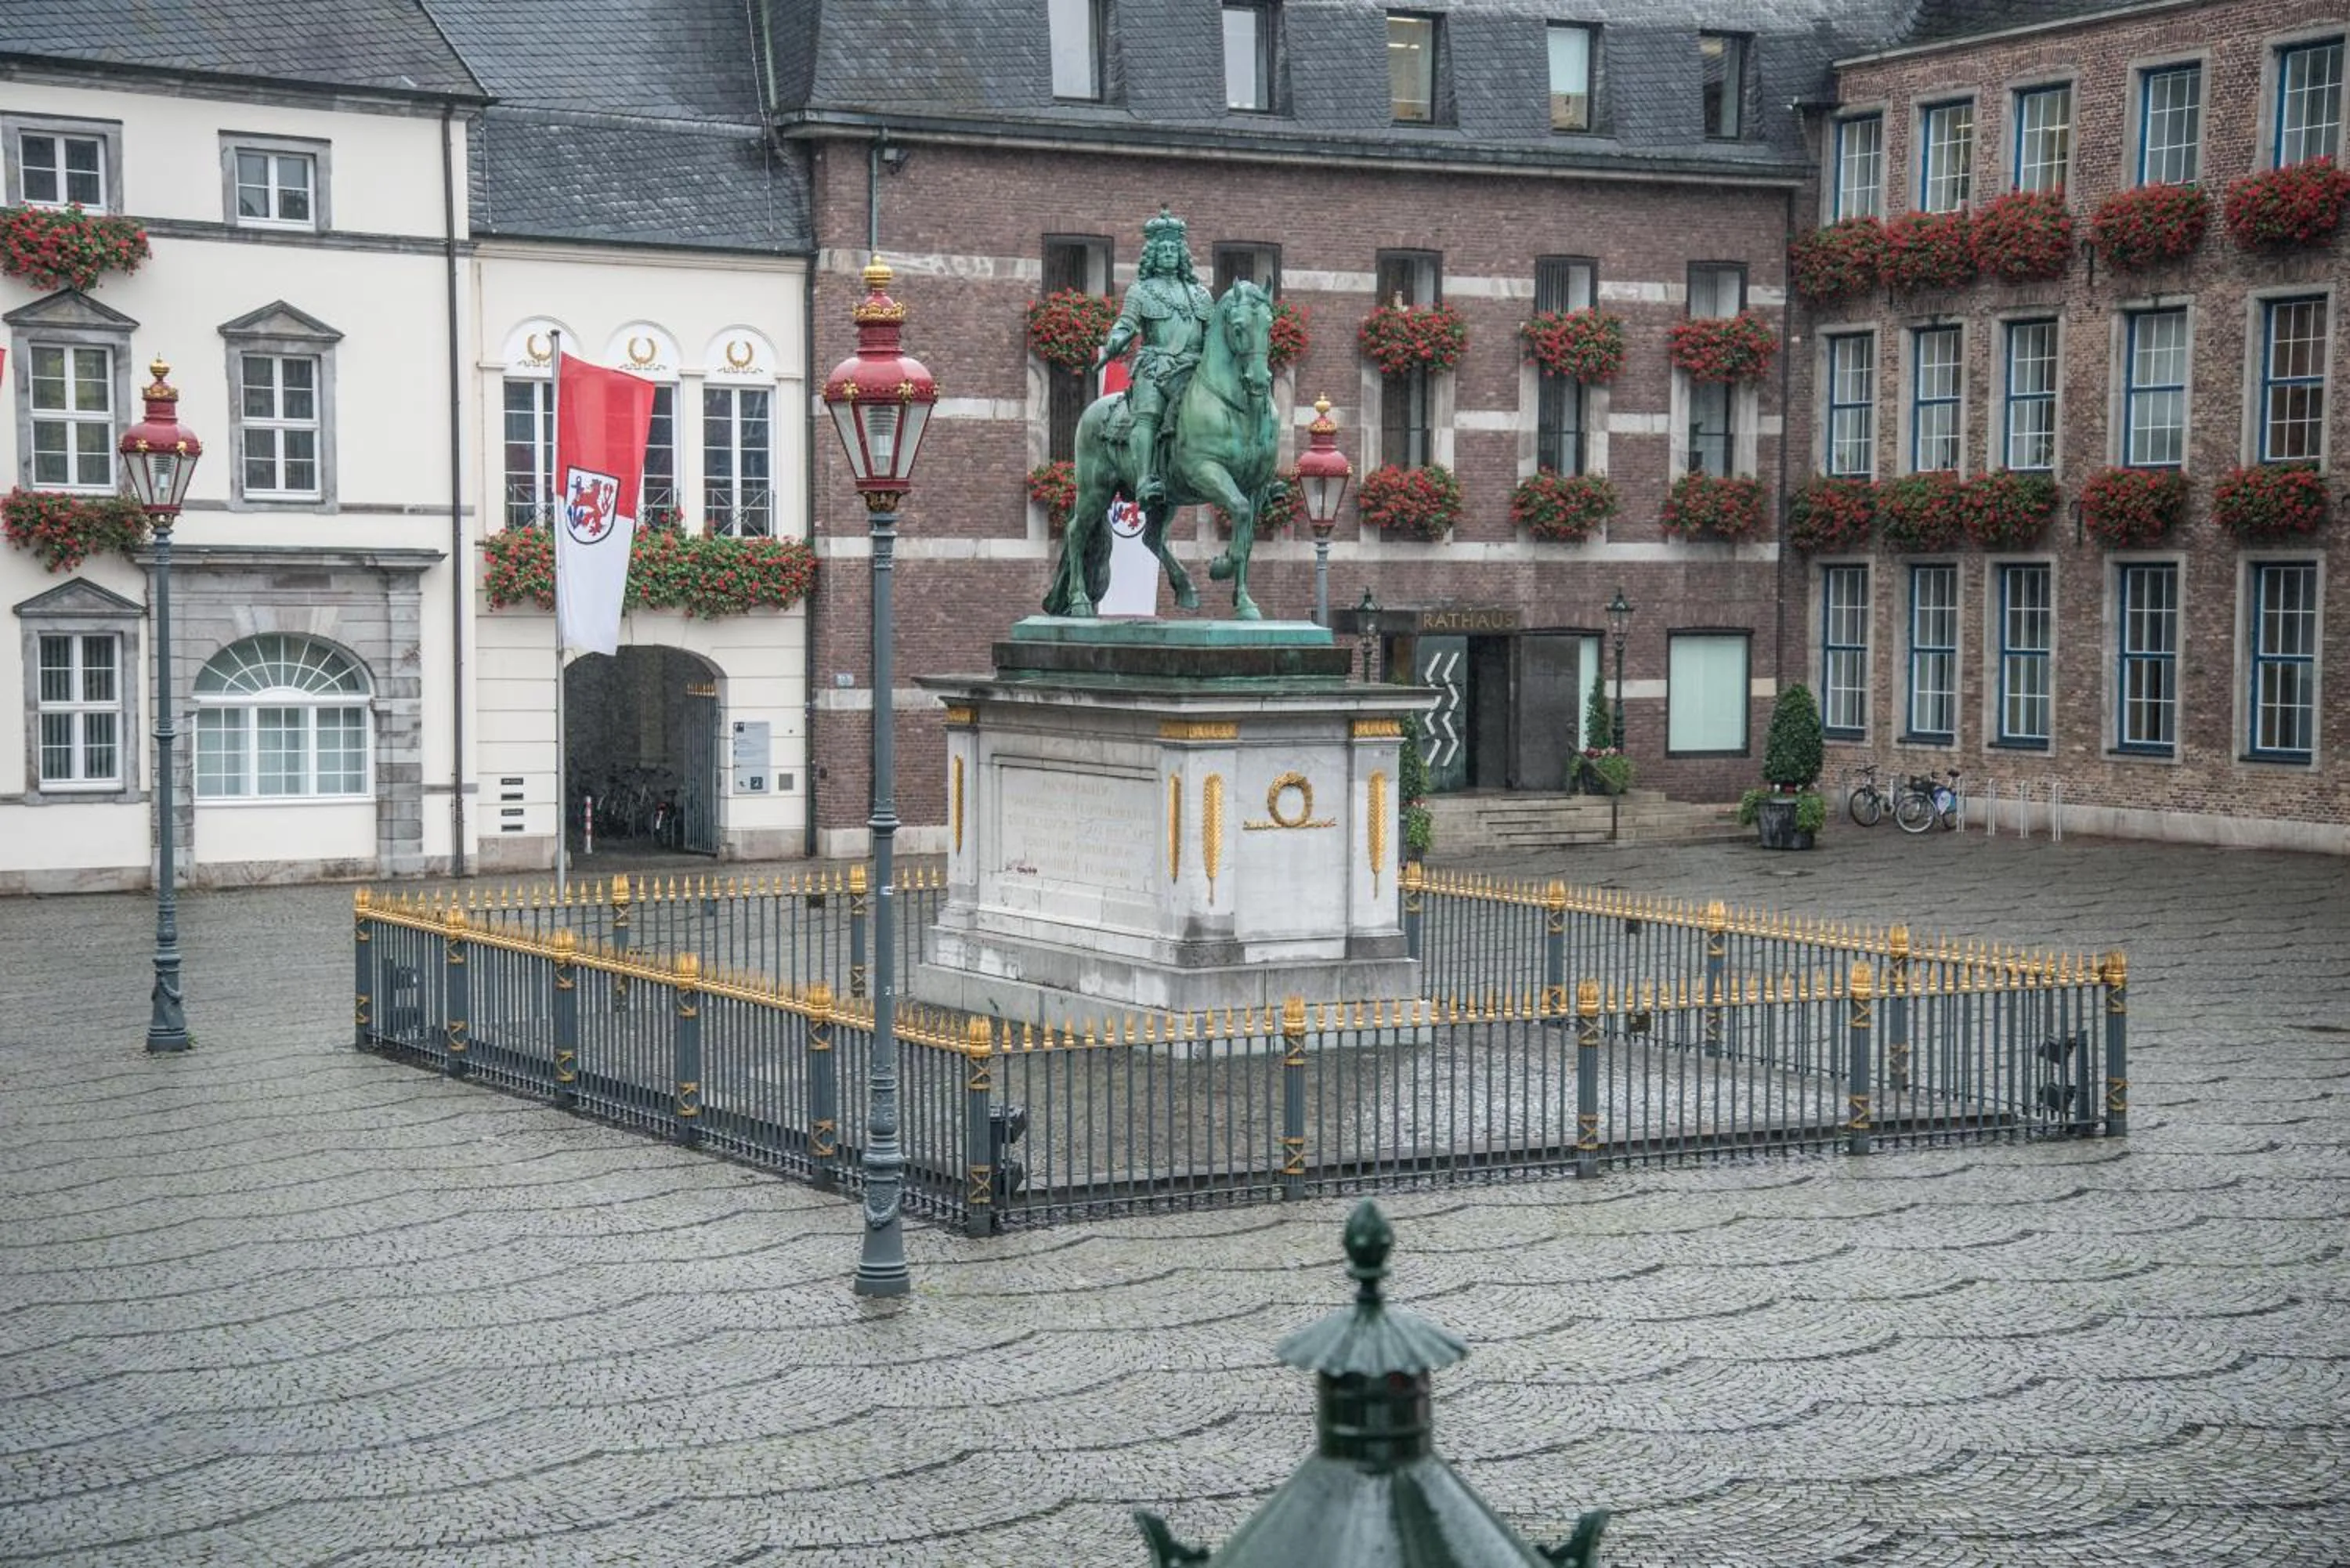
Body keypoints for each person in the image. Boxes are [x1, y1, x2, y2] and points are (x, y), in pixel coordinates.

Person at [1097, 207, 1213, 506]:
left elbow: (1212, 335)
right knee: (1147, 414)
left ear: (1182, 253)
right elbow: (1126, 325)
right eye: (1161, 248)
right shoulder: (1141, 291)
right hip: (1157, 366)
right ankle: (1145, 479)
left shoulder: (1201, 294)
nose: (1168, 253)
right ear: (1152, 254)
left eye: (1174, 248)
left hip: (1196, 368)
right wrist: (1116, 338)